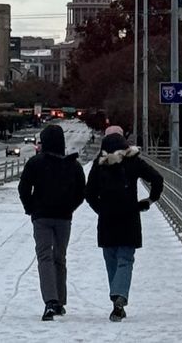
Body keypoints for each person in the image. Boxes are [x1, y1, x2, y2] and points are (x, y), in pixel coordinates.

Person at [84, 125, 164, 322]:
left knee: (111, 259)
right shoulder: (133, 161)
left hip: (107, 219)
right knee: (125, 260)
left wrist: (100, 209)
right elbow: (157, 178)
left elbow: (89, 193)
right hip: (130, 216)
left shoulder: (99, 163)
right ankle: (120, 296)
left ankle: (116, 299)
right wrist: (150, 200)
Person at [17, 124, 85, 321]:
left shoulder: (35, 163)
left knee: (44, 257)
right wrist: (70, 206)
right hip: (64, 217)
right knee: (60, 257)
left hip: (42, 217)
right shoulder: (73, 165)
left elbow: (23, 188)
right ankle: (60, 301)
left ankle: (50, 301)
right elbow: (82, 191)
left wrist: (30, 207)